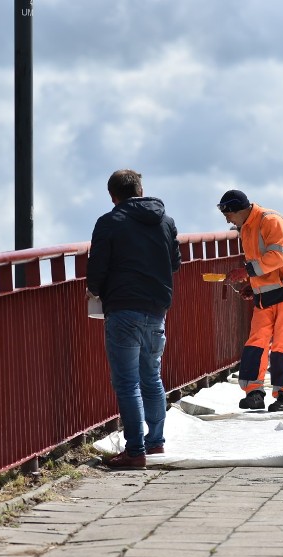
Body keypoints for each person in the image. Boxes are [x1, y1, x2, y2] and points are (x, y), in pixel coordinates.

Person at [87, 169, 181, 469]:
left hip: (123, 308)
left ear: (112, 195)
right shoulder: (165, 221)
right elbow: (175, 263)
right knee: (151, 377)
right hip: (156, 307)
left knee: (127, 383)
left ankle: (135, 450)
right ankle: (155, 443)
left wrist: (95, 291)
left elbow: (97, 268)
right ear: (141, 190)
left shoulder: (109, 222)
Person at [218, 189, 283, 412]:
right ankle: (254, 393)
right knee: (256, 342)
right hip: (267, 294)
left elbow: (276, 258)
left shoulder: (271, 221)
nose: (227, 219)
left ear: (237, 210)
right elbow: (261, 262)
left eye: (228, 214)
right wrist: (253, 284)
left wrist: (246, 272)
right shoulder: (246, 227)